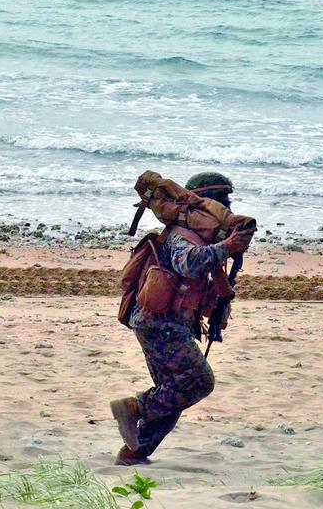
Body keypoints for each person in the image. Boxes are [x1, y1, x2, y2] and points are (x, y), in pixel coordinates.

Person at [110, 172, 254, 465]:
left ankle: (134, 453)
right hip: (158, 323)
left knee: (173, 394)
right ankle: (133, 408)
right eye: (220, 204)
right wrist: (227, 247)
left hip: (165, 322)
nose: (225, 210)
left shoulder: (202, 237)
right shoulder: (181, 235)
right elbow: (188, 264)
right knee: (199, 381)